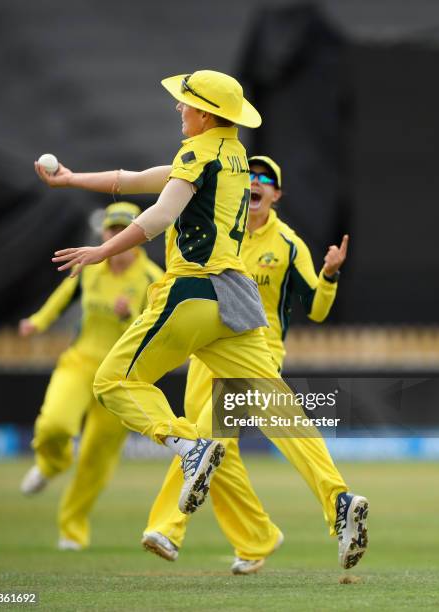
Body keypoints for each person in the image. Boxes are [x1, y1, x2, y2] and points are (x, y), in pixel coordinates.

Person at [35, 70, 368, 569]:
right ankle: (339, 501)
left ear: (207, 113)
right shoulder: (233, 154)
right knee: (283, 413)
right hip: (238, 301)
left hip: (192, 292)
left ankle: (189, 448)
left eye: (185, 103)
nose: (178, 109)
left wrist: (102, 250)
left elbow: (159, 215)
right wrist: (73, 178)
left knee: (112, 382)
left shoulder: (199, 153)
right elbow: (141, 180)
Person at [142, 155, 349, 574]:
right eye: (249, 176)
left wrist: (328, 276)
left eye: (265, 180)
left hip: (257, 349)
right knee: (220, 451)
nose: (254, 182)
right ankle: (257, 538)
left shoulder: (287, 244)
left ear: (276, 194)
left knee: (205, 435)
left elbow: (318, 309)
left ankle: (168, 527)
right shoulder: (224, 229)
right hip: (209, 347)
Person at [19, 202, 164, 550]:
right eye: (111, 231)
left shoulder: (153, 280)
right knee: (54, 425)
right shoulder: (91, 266)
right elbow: (64, 295)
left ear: (137, 237)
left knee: (95, 460)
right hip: (81, 362)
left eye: (122, 231)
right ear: (103, 234)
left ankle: (72, 531)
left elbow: (161, 334)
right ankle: (53, 462)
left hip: (122, 379)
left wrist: (130, 316)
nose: (116, 237)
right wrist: (38, 321)